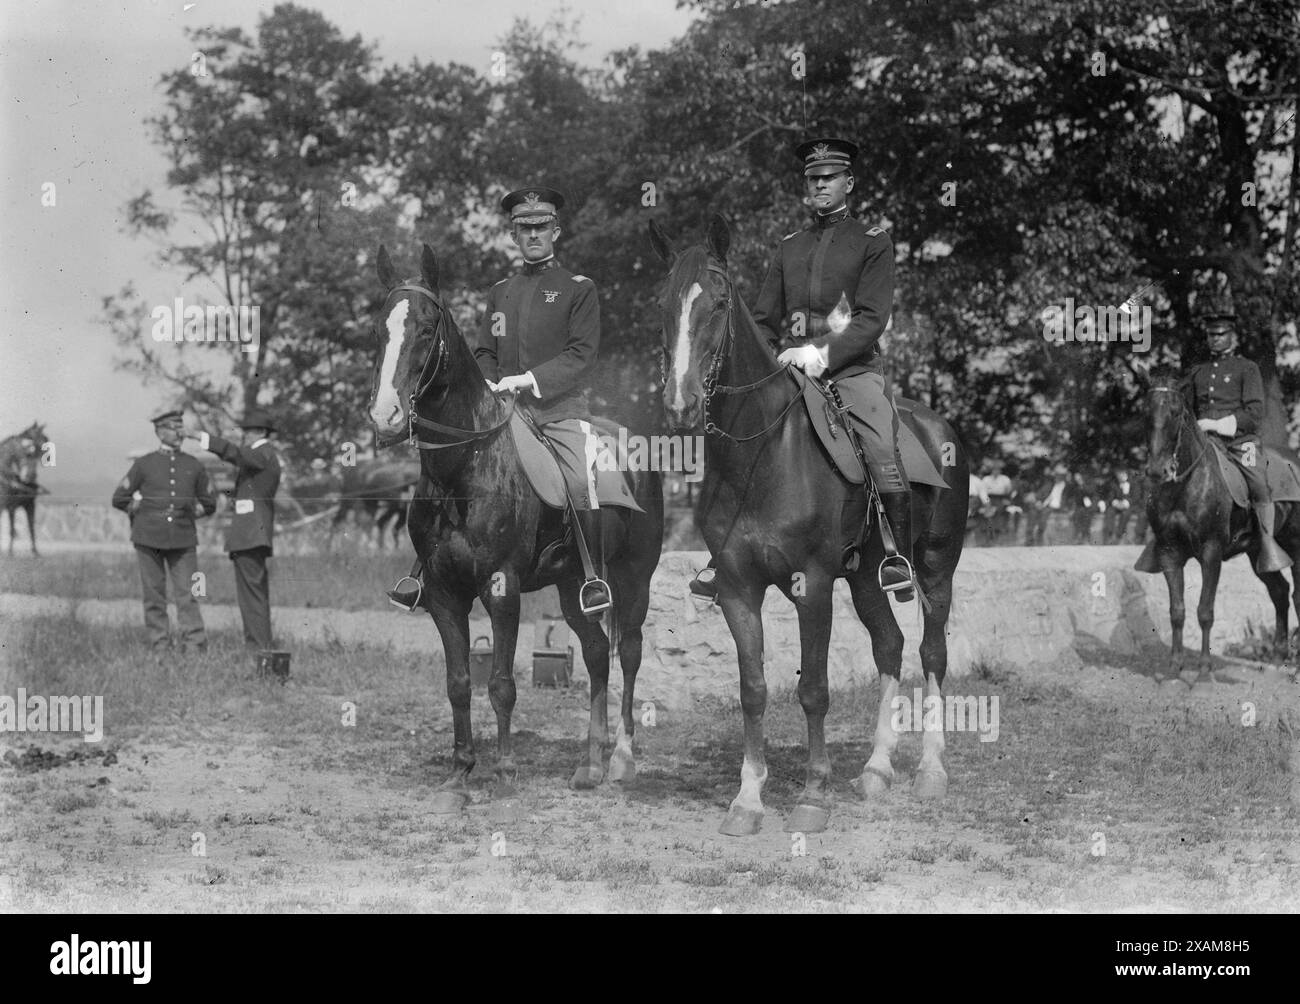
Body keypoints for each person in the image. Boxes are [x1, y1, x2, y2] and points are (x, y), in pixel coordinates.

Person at [689, 136, 917, 601]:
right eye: (813, 178)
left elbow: (872, 320)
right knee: (743, 436)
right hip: (791, 372)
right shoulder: (789, 247)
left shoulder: (872, 242)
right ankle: (726, 556)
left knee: (878, 444)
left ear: (848, 182)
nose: (819, 185)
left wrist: (821, 353)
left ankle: (896, 553)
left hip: (852, 373)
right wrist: (769, 358)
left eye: (829, 178)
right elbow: (762, 319)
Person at [387, 186, 611, 617]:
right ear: (513, 235)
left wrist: (528, 379)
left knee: (582, 481)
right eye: (524, 228)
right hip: (503, 413)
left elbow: (581, 355)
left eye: (541, 227)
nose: (533, 235)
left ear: (556, 231)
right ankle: (423, 571)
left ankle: (590, 575)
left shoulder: (578, 289)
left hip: (557, 412)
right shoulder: (500, 291)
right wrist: (490, 384)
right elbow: (486, 352)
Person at [1181, 306, 1291, 571]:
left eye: (1220, 334)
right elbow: (1187, 409)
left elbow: (1254, 413)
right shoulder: (1198, 372)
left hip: (1242, 442)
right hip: (1206, 442)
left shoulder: (1247, 368)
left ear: (1233, 336)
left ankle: (1266, 541)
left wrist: (1218, 424)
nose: (1215, 339)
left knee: (1257, 481)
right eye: (1210, 335)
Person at [111, 409, 216, 653]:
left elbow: (210, 503)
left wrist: (189, 515)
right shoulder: (144, 464)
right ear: (159, 432)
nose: (179, 433)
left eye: (180, 427)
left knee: (188, 595)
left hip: (183, 539)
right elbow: (119, 498)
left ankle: (194, 647)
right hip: (148, 538)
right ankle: (160, 647)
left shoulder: (194, 465)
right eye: (171, 428)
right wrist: (136, 509)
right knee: (154, 597)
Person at [187, 408, 283, 649]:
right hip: (250, 537)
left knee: (252, 598)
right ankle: (260, 649)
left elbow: (234, 453)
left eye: (247, 432)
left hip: (251, 537)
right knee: (253, 598)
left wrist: (202, 437)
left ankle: (260, 651)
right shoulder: (263, 455)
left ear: (260, 432)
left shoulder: (262, 452)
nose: (243, 437)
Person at [1103, 468, 1135, 544]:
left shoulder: (1132, 484)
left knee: (1125, 514)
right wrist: (1116, 503)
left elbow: (1135, 497)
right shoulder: (1114, 484)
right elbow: (1110, 497)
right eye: (1119, 475)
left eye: (1123, 474)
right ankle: (1110, 535)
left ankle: (1119, 535)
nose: (1121, 476)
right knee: (1110, 511)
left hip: (1127, 506)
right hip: (1117, 505)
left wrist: (1125, 502)